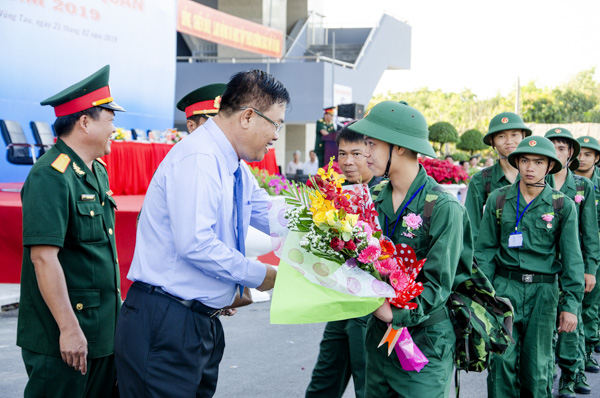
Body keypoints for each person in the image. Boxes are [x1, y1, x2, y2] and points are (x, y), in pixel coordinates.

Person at [114, 70, 288, 397]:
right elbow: (196, 244)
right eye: (276, 123)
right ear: (248, 116)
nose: (276, 136)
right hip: (165, 323)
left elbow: (265, 211)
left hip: (197, 323)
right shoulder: (199, 158)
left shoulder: (232, 163)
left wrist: (331, 230)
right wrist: (263, 275)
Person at [349, 101, 473, 397]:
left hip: (424, 342)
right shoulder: (373, 198)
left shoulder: (443, 208)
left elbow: (438, 285)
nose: (365, 153)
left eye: (371, 144)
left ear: (400, 147)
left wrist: (392, 313)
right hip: (379, 340)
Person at [18, 65, 125, 397]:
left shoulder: (96, 171)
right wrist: (68, 329)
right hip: (65, 338)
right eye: (110, 120)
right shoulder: (50, 176)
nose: (114, 130)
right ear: (85, 122)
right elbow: (43, 260)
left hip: (101, 332)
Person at [475, 136, 585, 398]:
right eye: (524, 160)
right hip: (504, 289)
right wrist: (484, 298)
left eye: (538, 162)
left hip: (544, 293)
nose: (530, 167)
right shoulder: (499, 200)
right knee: (501, 362)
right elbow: (485, 251)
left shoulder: (562, 205)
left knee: (537, 368)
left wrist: (570, 306)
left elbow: (572, 259)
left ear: (550, 167)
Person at [305, 123, 383, 398]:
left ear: (372, 153)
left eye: (356, 153)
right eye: (342, 154)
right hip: (341, 301)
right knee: (325, 378)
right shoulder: (339, 193)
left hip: (372, 304)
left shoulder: (385, 194)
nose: (348, 161)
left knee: (367, 383)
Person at [544, 128, 599, 397]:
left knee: (571, 318)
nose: (555, 152)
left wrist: (590, 268)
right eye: (550, 146)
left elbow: (590, 232)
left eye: (562, 148)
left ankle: (571, 373)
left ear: (570, 154)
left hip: (572, 265)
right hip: (543, 264)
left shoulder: (581, 186)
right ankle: (548, 371)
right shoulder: (533, 181)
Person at [464, 112, 532, 238]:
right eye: (501, 136)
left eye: (514, 134)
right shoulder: (481, 180)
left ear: (523, 136)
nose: (509, 141)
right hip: (496, 253)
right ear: (492, 141)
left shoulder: (542, 175)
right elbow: (472, 225)